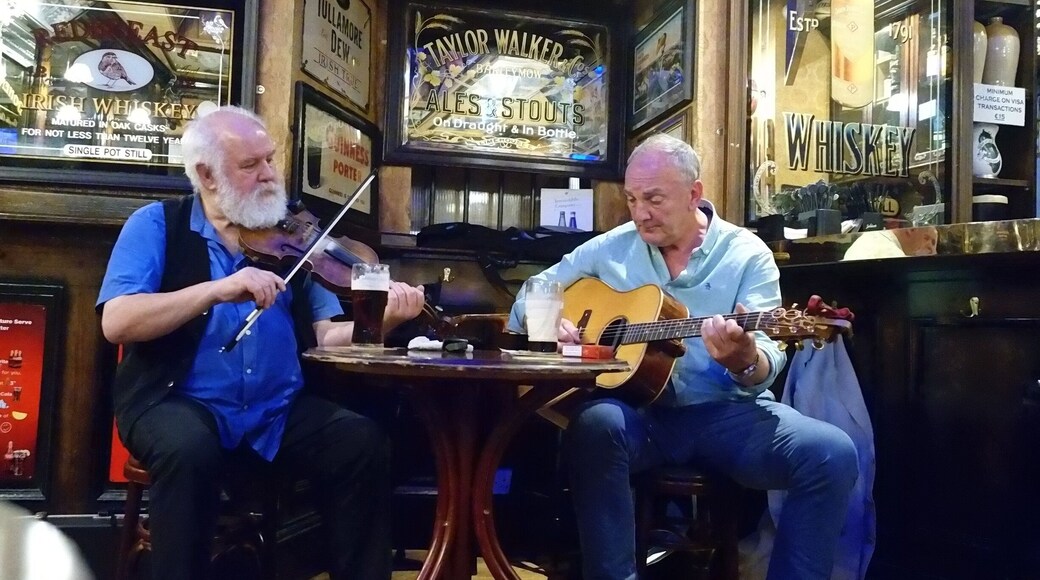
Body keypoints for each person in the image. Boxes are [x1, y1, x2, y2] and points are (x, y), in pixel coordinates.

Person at [507, 134, 859, 580]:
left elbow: (767, 358)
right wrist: (551, 319)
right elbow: (531, 293)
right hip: (640, 417)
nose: (640, 213)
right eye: (632, 199)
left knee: (831, 453)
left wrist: (744, 359)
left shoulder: (746, 253)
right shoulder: (610, 247)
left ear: (694, 193)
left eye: (654, 199)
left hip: (727, 415)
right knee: (594, 424)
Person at [97, 106, 425, 580]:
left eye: (270, 159)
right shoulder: (157, 225)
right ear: (207, 175)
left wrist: (383, 321)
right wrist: (216, 289)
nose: (269, 174)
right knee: (188, 450)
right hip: (177, 400)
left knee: (360, 441)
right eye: (250, 165)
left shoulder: (294, 239)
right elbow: (118, 321)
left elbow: (326, 336)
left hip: (277, 411)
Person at [843, 225, 938, 260]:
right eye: (926, 238)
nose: (931, 249)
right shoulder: (893, 255)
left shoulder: (869, 238)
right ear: (911, 230)